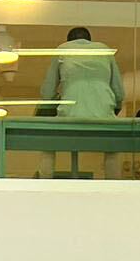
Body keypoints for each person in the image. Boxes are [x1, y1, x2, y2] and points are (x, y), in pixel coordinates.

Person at [37, 27, 126, 179]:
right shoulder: (104, 50)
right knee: (113, 147)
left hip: (70, 114)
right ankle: (113, 182)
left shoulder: (62, 49)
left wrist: (56, 100)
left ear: (69, 41)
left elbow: (47, 92)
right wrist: (113, 108)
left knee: (47, 140)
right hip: (103, 115)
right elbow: (119, 92)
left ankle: (45, 180)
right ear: (89, 40)